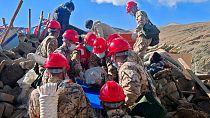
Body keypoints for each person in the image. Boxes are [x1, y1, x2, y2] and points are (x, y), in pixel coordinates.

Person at [28, 53, 95, 118]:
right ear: (65, 71)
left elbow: (32, 115)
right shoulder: (76, 90)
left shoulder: (35, 93)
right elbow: (85, 114)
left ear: (47, 71)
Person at [108, 38, 148, 107]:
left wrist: (123, 106)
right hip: (143, 98)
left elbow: (132, 93)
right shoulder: (131, 62)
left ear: (115, 55)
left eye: (112, 55)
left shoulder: (126, 69)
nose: (111, 59)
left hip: (142, 104)